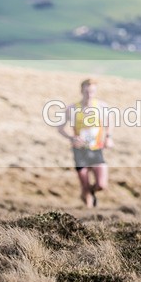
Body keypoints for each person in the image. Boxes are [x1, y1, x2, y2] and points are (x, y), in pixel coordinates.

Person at [57, 78, 113, 208]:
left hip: (96, 149)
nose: (89, 94)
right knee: (85, 184)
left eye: (92, 91)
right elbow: (60, 128)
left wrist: (108, 137)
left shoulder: (101, 106)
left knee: (101, 185)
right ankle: (89, 213)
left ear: (95, 92)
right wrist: (72, 138)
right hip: (79, 150)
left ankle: (90, 194)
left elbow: (110, 122)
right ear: (82, 91)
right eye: (87, 91)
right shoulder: (72, 108)